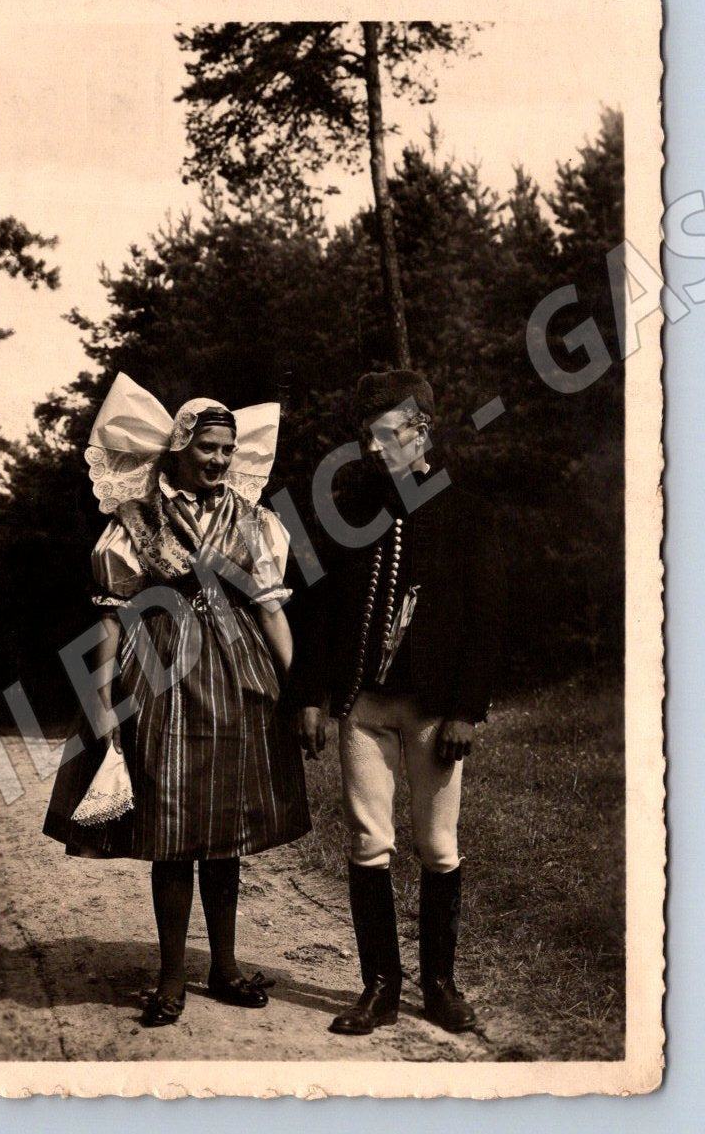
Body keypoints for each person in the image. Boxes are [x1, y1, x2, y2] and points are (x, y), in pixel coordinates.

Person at [44, 372, 310, 1027]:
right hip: (159, 676)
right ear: (178, 449)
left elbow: (273, 613)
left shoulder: (255, 523)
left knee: (225, 831)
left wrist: (301, 690)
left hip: (238, 678)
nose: (218, 460)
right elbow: (109, 620)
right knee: (172, 829)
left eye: (227, 449)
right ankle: (170, 974)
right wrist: (103, 703)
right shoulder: (135, 523)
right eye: (207, 448)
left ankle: (224, 964)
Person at [293, 370, 503, 1037]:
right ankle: (380, 985)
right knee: (367, 841)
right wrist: (309, 696)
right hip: (365, 708)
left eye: (388, 434)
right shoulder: (350, 511)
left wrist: (469, 708)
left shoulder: (466, 509)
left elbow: (485, 619)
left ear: (423, 431)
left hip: (438, 712)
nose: (376, 450)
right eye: (368, 436)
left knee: (439, 845)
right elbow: (317, 610)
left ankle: (439, 985)